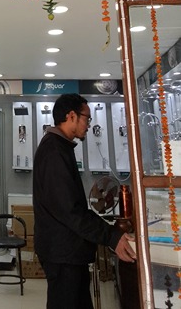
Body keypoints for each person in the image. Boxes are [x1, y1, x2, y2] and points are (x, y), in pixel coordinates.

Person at [33, 93, 136, 309]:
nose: (89, 125)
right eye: (87, 118)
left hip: (69, 251)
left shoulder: (61, 147)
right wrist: (111, 237)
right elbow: (70, 211)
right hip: (62, 254)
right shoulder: (54, 152)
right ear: (71, 116)